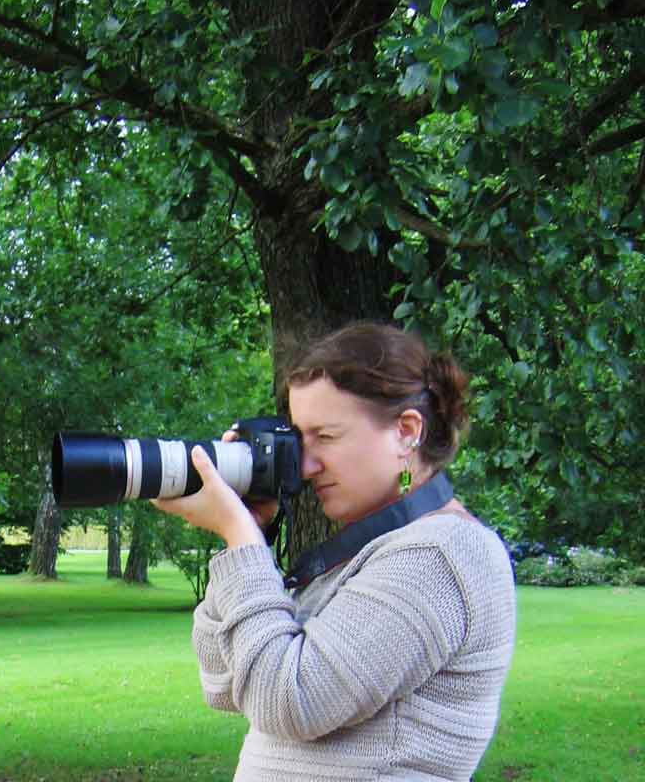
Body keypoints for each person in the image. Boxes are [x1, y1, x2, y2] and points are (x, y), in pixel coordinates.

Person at [152, 322, 516, 781]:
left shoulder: (443, 555)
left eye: (326, 437)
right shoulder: (374, 551)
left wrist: (240, 539)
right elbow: (223, 682)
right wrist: (248, 539)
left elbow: (289, 701)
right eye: (301, 441)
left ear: (407, 431)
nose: (306, 465)